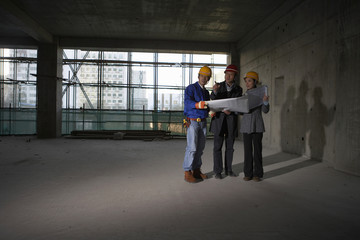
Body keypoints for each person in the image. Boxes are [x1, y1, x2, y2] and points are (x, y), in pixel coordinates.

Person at [209, 64, 243, 179]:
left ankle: (229, 169)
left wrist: (232, 112)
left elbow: (239, 106)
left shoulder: (239, 89)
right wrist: (214, 91)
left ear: (235, 76)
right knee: (217, 147)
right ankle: (218, 171)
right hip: (219, 120)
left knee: (230, 147)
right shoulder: (218, 86)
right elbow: (213, 100)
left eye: (231, 75)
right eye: (227, 74)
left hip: (231, 121)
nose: (228, 76)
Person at [183, 66, 211, 183]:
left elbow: (208, 105)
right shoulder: (191, 88)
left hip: (203, 122)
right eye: (202, 76)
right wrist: (196, 105)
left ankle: (196, 170)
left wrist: (211, 111)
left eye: (206, 77)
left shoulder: (205, 92)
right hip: (193, 121)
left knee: (200, 148)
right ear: (198, 76)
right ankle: (187, 171)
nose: (204, 78)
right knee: (192, 148)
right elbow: (187, 102)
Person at [240, 71, 269, 182]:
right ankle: (248, 173)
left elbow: (265, 111)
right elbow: (241, 111)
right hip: (246, 125)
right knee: (247, 151)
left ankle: (258, 174)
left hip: (257, 125)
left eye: (250, 81)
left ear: (255, 82)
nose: (247, 83)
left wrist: (266, 102)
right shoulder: (244, 96)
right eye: (246, 81)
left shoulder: (261, 94)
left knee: (257, 150)